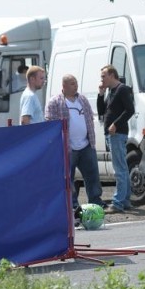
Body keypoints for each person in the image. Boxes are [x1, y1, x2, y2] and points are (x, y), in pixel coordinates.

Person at [45, 74, 105, 211]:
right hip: (67, 147)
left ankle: (96, 202)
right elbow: (50, 122)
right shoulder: (55, 102)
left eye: (76, 83)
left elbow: (90, 117)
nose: (76, 85)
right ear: (64, 86)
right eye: (72, 83)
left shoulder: (82, 99)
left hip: (86, 145)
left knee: (92, 176)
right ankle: (72, 206)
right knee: (68, 178)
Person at [97, 65, 135, 214]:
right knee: (122, 167)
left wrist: (116, 124)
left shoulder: (122, 89)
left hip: (117, 134)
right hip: (111, 134)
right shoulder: (110, 91)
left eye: (103, 76)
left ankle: (118, 202)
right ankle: (125, 200)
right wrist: (100, 94)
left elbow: (130, 110)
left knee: (119, 169)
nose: (102, 80)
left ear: (112, 75)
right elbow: (102, 111)